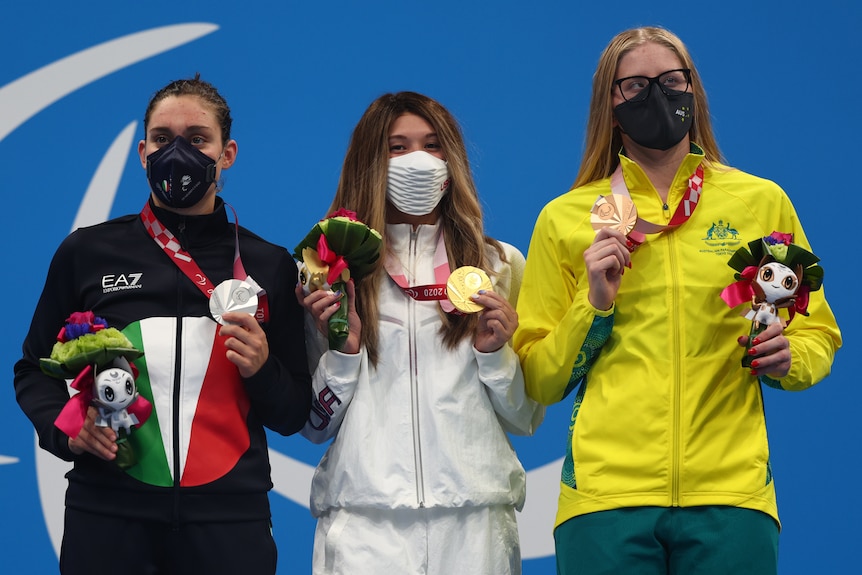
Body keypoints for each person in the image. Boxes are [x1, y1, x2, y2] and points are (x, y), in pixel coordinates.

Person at [513, 27, 842, 575]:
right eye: (635, 86)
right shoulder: (566, 218)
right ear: (610, 107)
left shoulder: (759, 202)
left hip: (731, 496)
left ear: (695, 92)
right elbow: (540, 379)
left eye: (671, 81)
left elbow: (818, 333)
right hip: (606, 501)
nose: (657, 96)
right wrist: (592, 304)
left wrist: (790, 359)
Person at [14, 75, 312, 575]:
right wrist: (68, 432)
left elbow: (293, 412)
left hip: (229, 524)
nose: (177, 153)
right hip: (107, 517)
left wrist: (261, 368)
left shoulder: (270, 265)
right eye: (161, 139)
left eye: (197, 139)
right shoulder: (87, 252)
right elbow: (33, 369)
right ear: (142, 151)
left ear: (227, 153)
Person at [296, 91, 544, 575]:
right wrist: (343, 356)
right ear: (370, 160)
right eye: (397, 147)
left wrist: (495, 356)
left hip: (476, 522)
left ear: (452, 162)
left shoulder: (498, 264)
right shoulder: (325, 270)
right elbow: (313, 425)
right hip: (364, 523)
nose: (419, 162)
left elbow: (524, 417)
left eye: (433, 146)